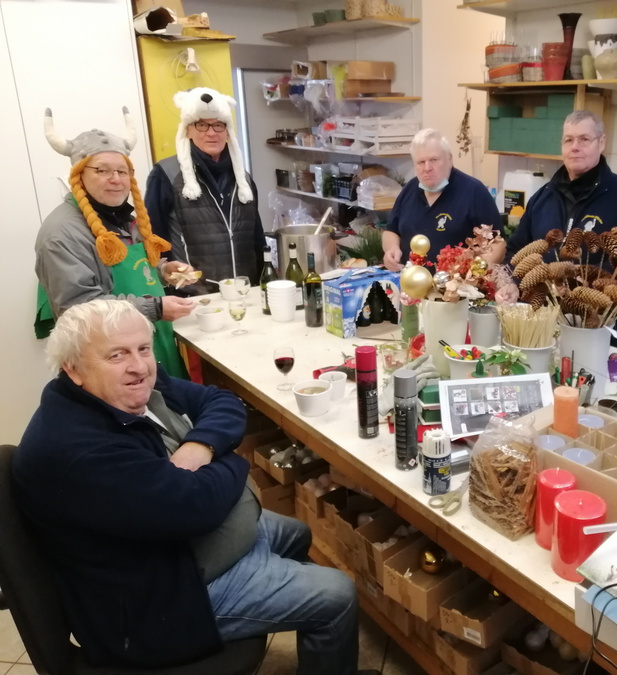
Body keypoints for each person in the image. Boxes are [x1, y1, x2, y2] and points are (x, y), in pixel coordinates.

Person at [13, 299, 376, 675]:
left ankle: (292, 620)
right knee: (336, 594)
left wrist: (202, 447)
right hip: (155, 603)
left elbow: (222, 401)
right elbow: (194, 506)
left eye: (143, 348)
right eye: (116, 355)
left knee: (296, 532)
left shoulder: (127, 388)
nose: (139, 366)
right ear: (73, 368)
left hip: (168, 552)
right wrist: (233, 458)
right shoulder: (77, 448)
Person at [35, 107, 194, 377]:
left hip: (153, 344)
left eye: (123, 171)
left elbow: (131, 270)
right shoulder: (61, 233)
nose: (116, 180)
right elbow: (80, 309)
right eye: (102, 170)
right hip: (109, 363)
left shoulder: (123, 218)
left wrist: (163, 270)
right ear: (79, 175)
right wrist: (155, 307)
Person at [145, 87, 266, 295]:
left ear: (227, 130)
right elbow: (153, 239)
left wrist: (264, 282)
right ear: (188, 129)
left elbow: (257, 237)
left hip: (245, 293)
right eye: (201, 125)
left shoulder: (243, 178)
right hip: (193, 297)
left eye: (218, 125)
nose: (211, 133)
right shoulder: (166, 174)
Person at [505, 110, 617, 265]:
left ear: (601, 143)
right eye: (569, 140)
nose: (575, 147)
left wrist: (593, 277)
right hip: (541, 281)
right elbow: (514, 252)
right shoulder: (541, 198)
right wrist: (518, 278)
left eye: (584, 139)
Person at [383, 128, 503, 270]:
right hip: (409, 278)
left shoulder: (474, 191)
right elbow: (391, 230)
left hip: (456, 281)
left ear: (449, 159)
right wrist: (391, 249)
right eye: (421, 162)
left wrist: (476, 272)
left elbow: (498, 244)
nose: (427, 168)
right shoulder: (409, 189)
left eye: (434, 160)